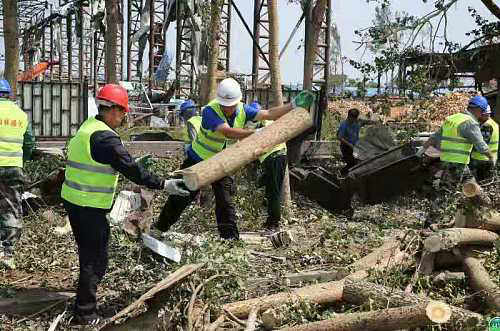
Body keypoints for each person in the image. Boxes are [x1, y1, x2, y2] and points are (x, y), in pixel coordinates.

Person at [60, 84, 190, 326]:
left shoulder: (88, 128)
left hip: (75, 202)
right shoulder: (106, 138)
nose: (123, 118)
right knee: (95, 259)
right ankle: (85, 315)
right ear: (113, 110)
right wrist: (164, 184)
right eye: (122, 113)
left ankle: (84, 303)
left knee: (92, 256)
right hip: (88, 207)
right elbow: (131, 169)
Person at [155, 78, 315, 240]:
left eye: (230, 105)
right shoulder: (210, 111)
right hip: (198, 161)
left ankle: (230, 239)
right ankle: (159, 228)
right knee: (181, 194)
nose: (228, 109)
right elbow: (227, 132)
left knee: (225, 201)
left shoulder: (242, 109)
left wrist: (293, 105)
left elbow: (269, 113)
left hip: (222, 163)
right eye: (225, 105)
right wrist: (254, 134)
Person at [418, 95, 495, 227]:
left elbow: (435, 137)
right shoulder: (470, 123)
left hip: (452, 162)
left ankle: (486, 213)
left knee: (473, 187)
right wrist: (491, 158)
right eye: (482, 112)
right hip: (456, 164)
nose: (482, 115)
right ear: (477, 109)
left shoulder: (452, 119)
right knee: (445, 194)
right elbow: (481, 145)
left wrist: (421, 150)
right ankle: (430, 223)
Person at [0, 79, 35, 269]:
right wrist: (22, 161)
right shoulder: (20, 114)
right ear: (8, 95)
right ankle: (8, 254)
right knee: (11, 208)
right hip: (13, 167)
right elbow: (29, 142)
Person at [247, 101, 287, 232]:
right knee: (269, 189)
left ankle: (274, 222)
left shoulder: (265, 124)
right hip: (274, 158)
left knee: (273, 192)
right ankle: (271, 219)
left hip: (275, 157)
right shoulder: (266, 122)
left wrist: (259, 151)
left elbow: (271, 140)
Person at [469, 106, 498, 181]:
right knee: (484, 183)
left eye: (481, 114)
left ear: (485, 114)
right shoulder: (493, 123)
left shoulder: (486, 126)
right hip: (487, 159)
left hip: (481, 160)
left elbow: (481, 144)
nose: (478, 116)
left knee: (477, 183)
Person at [336, 108, 362, 176]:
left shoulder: (356, 122)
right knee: (351, 163)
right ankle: (341, 174)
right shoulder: (344, 125)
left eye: (356, 118)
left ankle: (348, 175)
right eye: (354, 118)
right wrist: (350, 145)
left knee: (356, 162)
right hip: (346, 147)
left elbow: (363, 122)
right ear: (350, 117)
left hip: (354, 146)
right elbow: (340, 137)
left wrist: (373, 122)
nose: (355, 119)